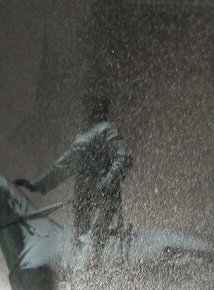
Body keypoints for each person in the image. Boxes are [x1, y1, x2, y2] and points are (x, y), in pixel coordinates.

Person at [15, 95, 132, 266]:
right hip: (83, 196)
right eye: (87, 108)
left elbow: (123, 157)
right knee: (80, 236)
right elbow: (63, 166)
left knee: (95, 234)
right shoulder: (81, 138)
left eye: (90, 108)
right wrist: (39, 184)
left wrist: (107, 181)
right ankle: (82, 272)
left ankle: (94, 269)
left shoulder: (107, 129)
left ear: (98, 109)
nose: (87, 112)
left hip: (104, 196)